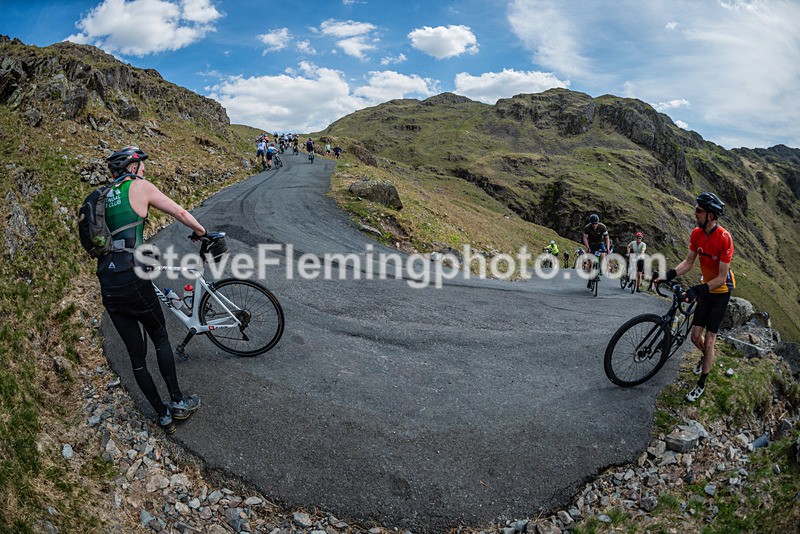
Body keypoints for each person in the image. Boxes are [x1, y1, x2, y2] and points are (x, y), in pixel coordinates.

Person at [98, 146, 203, 433]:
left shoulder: (101, 197)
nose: (144, 170)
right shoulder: (138, 186)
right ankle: (178, 401)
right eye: (142, 165)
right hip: (134, 274)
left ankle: (162, 415)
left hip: (107, 280)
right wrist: (201, 232)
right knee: (159, 336)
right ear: (131, 167)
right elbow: (179, 211)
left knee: (136, 356)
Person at [654, 192, 735, 402]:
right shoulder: (697, 233)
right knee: (695, 337)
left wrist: (697, 290)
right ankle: (707, 357)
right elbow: (688, 262)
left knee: (709, 341)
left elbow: (721, 278)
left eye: (699, 210)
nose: (695, 213)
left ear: (710, 216)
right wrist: (668, 274)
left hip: (721, 293)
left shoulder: (724, 238)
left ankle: (701, 383)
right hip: (706, 290)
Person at [582, 213, 611, 289]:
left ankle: (599, 269)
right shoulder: (587, 228)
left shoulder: (602, 227)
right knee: (591, 263)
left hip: (600, 243)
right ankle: (589, 278)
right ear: (591, 223)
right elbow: (585, 238)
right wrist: (587, 247)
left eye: (596, 223)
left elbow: (607, 238)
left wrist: (608, 248)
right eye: (593, 223)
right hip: (591, 244)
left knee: (603, 254)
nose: (595, 225)